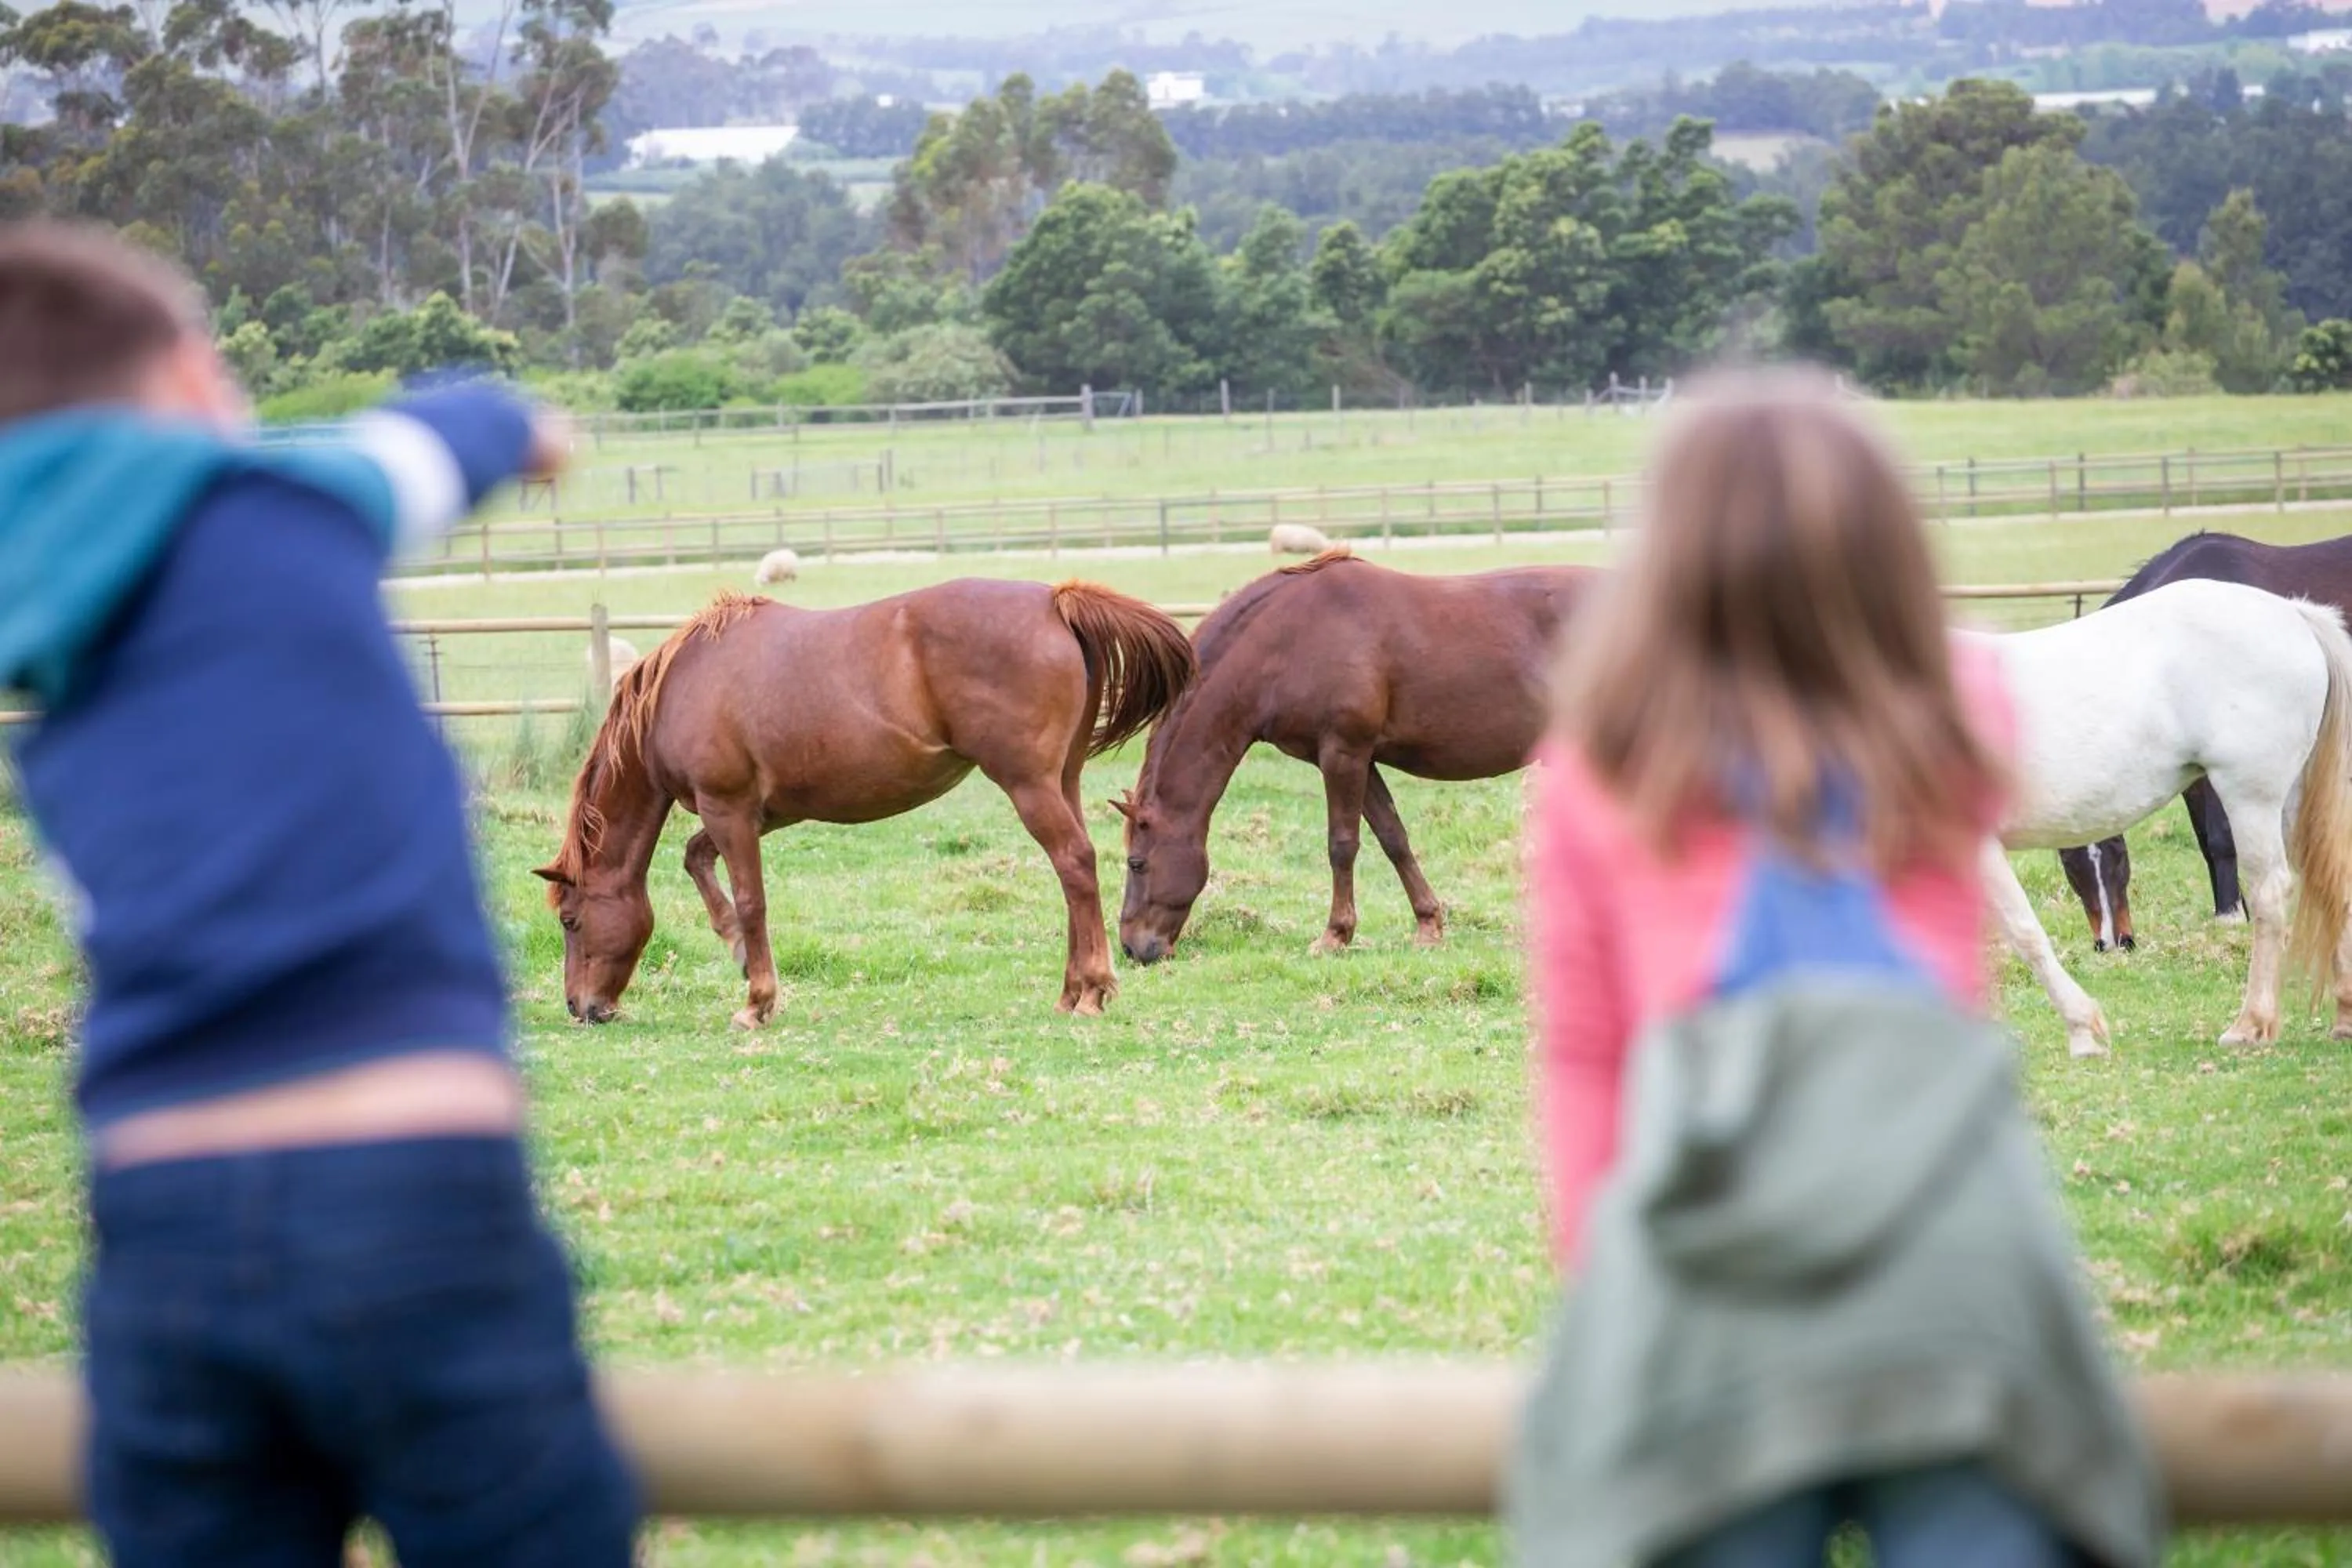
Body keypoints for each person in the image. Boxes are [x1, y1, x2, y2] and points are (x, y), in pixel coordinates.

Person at [0, 221, 638, 1565]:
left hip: (155, 1227)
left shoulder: (30, 610)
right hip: (408, 1186)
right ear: (184, 380)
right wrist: (531, 427)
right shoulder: (270, 502)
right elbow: (467, 425)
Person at [1506, 369, 2162, 1568]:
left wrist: (1607, 1285)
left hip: (1713, 1249)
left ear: (1671, 558)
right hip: (1947, 1250)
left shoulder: (1601, 768)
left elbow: (1587, 1061)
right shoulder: (1951, 720)